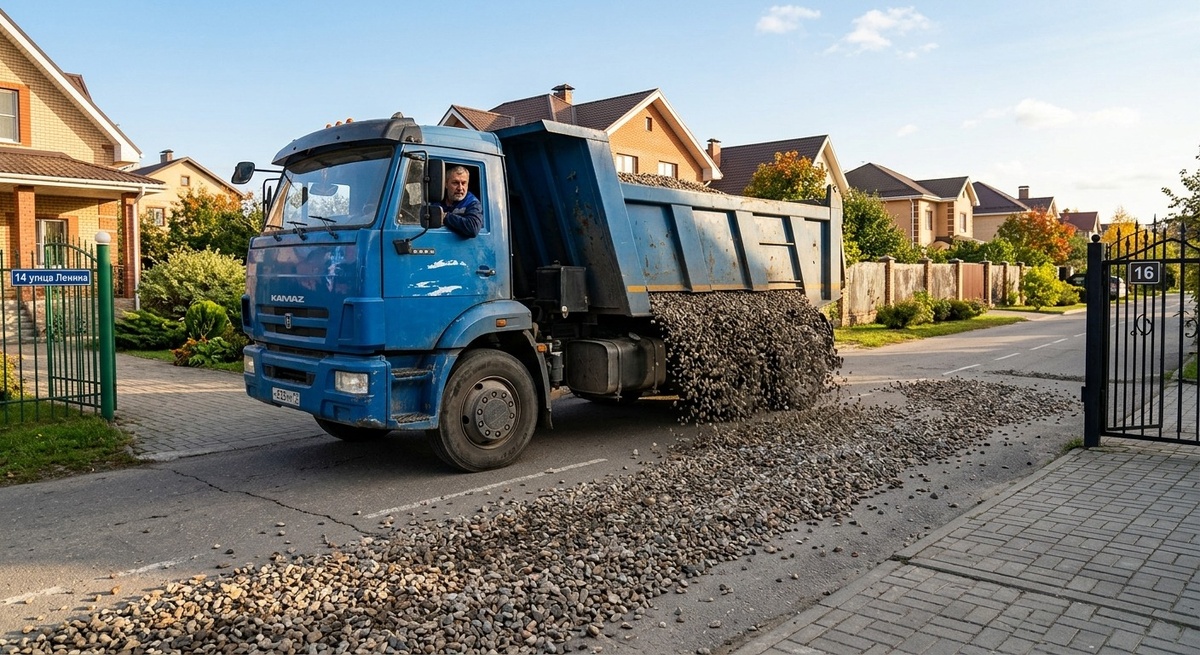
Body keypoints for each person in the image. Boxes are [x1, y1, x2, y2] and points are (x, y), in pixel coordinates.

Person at [440, 165, 483, 238]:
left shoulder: (473, 203)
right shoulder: (437, 200)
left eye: (463, 183)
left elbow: (473, 228)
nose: (460, 188)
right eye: (455, 183)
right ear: (446, 184)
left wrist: (445, 217)